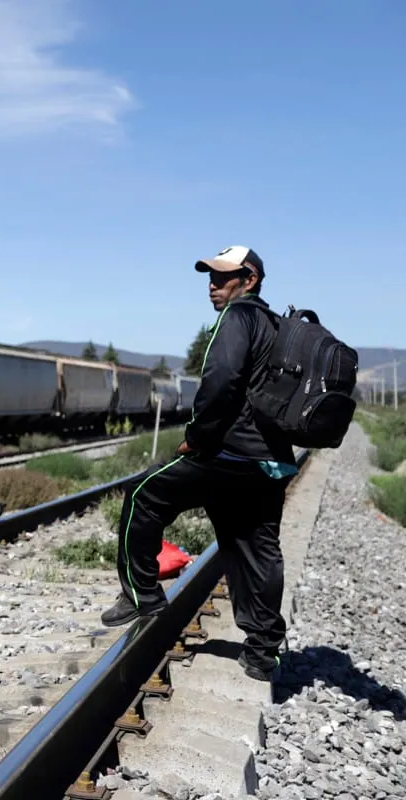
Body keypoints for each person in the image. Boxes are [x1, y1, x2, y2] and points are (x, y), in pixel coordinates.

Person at [101, 245, 297, 682]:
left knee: (142, 497)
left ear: (250, 279)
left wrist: (197, 437)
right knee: (255, 547)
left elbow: (221, 380)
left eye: (223, 276)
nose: (212, 283)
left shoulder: (238, 318)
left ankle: (142, 594)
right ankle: (263, 653)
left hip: (227, 454)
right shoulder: (277, 325)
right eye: (209, 275)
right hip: (270, 461)